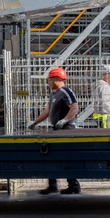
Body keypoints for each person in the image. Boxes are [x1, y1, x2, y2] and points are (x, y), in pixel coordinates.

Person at [28, 66, 81, 195]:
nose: (48, 82)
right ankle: (53, 185)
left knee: (66, 158)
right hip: (57, 130)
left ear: (57, 79)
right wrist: (35, 122)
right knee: (51, 156)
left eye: (50, 80)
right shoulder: (54, 94)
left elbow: (74, 108)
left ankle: (73, 185)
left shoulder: (65, 91)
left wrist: (65, 120)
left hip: (66, 129)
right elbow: (47, 111)